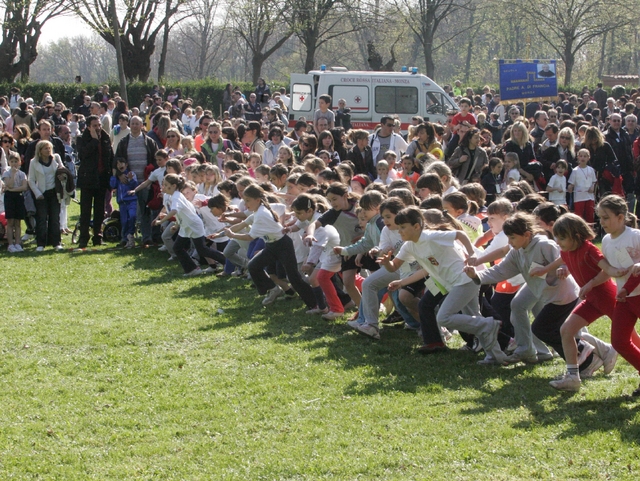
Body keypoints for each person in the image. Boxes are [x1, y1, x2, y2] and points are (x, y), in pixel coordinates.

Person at [379, 206, 506, 363]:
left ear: (417, 226)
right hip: (455, 283)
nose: (400, 232)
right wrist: (387, 264)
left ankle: (489, 324)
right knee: (475, 318)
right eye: (399, 228)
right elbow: (394, 266)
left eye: (403, 227)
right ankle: (495, 355)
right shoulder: (409, 245)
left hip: (465, 279)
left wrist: (472, 255)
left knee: (444, 318)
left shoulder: (431, 236)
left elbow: (460, 234)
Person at [525, 213, 620, 391]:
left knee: (627, 338)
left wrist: (591, 284)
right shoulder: (567, 251)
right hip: (591, 300)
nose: (558, 241)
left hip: (607, 298)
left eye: (562, 238)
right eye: (556, 237)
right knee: (566, 331)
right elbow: (561, 259)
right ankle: (572, 378)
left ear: (576, 236)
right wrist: (544, 269)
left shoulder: (590, 250)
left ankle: (615, 353)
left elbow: (607, 271)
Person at [598, 195, 640, 396]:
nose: (602, 222)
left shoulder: (635, 236)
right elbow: (609, 270)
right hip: (624, 299)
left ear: (621, 217)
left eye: (606, 217)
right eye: (600, 217)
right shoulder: (606, 240)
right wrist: (589, 284)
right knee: (619, 342)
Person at [154, 175, 226, 276]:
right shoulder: (174, 195)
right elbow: (181, 213)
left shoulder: (176, 196)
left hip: (193, 226)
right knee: (178, 247)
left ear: (174, 186)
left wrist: (161, 221)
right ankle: (192, 269)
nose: (163, 187)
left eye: (166, 185)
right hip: (187, 226)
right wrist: (177, 224)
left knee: (202, 249)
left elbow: (174, 210)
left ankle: (228, 262)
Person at [115, 116, 159, 246]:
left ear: (141, 125)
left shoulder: (149, 142)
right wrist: (119, 174)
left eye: (137, 124)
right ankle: (126, 237)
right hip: (128, 184)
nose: (134, 126)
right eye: (132, 124)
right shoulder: (123, 142)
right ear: (130, 125)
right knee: (127, 212)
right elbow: (116, 160)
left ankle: (146, 237)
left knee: (145, 211)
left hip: (145, 182)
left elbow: (156, 160)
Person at [76, 115, 114, 248]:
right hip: (88, 179)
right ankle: (83, 238)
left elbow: (110, 157)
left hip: (102, 179)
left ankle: (97, 236)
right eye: (95, 126)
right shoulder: (82, 139)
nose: (98, 128)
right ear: (88, 127)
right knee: (85, 211)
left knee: (100, 210)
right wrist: (93, 141)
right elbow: (82, 154)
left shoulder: (105, 137)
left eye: (99, 125)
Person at [27, 140, 64, 251]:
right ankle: (41, 244)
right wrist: (37, 193)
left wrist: (62, 177)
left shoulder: (55, 159)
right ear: (40, 150)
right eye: (45, 148)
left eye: (49, 148)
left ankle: (56, 242)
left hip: (54, 193)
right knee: (42, 219)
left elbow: (62, 171)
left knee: (55, 218)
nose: (48, 151)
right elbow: (31, 180)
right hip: (41, 194)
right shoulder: (33, 162)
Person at [3, 151, 28, 252]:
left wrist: (12, 189)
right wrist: (13, 175)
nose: (14, 163)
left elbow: (24, 187)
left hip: (18, 197)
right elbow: (9, 184)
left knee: (18, 222)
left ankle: (17, 242)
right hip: (9, 198)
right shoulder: (6, 173)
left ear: (19, 162)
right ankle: (10, 244)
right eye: (12, 161)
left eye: (16, 161)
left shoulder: (22, 174)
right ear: (9, 162)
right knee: (10, 222)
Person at [110, 157, 138, 248]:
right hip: (122, 203)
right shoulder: (118, 177)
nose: (120, 165)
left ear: (126, 164)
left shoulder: (131, 174)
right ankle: (124, 239)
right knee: (124, 221)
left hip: (131, 201)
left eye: (122, 163)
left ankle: (130, 235)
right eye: (118, 164)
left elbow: (135, 186)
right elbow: (113, 186)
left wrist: (131, 179)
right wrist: (114, 176)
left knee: (132, 216)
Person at [568, 149, 597, 223]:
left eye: (585, 156)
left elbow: (594, 181)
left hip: (589, 196)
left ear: (588, 158)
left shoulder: (591, 170)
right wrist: (570, 187)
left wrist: (592, 187)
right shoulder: (575, 170)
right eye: (581, 156)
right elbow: (571, 183)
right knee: (579, 216)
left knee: (590, 215)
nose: (583, 158)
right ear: (578, 157)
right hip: (579, 197)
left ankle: (590, 232)